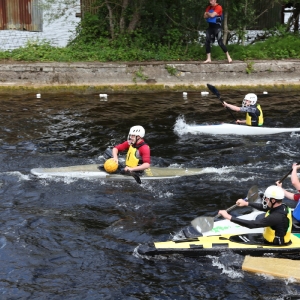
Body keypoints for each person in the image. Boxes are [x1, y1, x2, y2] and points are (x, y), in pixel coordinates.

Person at [218, 185, 292, 245]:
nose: (265, 200)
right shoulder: (282, 206)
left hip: (276, 245)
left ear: (273, 201)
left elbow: (252, 224)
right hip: (272, 239)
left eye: (266, 198)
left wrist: (229, 217)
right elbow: (264, 207)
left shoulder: (276, 217)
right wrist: (246, 203)